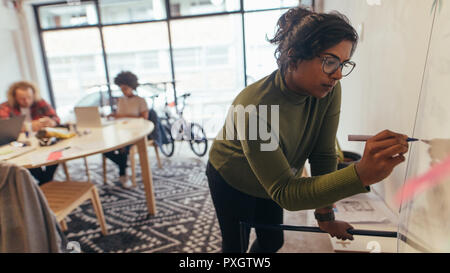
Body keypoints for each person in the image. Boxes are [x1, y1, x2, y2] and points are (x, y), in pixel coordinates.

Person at [206, 7, 409, 253]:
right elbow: (284, 191)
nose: (338, 74)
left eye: (343, 64)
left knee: (273, 241)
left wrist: (326, 217)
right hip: (232, 177)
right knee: (235, 247)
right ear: (293, 57)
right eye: (330, 61)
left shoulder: (327, 89)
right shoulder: (254, 108)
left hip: (272, 177)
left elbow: (323, 153)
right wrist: (360, 175)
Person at [0, 81, 61, 185]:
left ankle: (44, 183)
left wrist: (52, 122)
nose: (27, 101)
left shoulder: (40, 102)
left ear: (34, 94)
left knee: (57, 153)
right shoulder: (5, 107)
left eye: (29, 97)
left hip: (41, 140)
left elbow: (56, 118)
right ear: (14, 97)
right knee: (26, 159)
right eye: (22, 98)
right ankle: (46, 183)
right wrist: (30, 126)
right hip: (20, 144)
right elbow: (4, 126)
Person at [103, 71, 149, 189]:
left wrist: (122, 116)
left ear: (132, 87)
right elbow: (119, 115)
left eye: (125, 88)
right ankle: (123, 164)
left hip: (136, 131)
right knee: (105, 148)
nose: (123, 91)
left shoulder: (140, 100)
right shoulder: (121, 100)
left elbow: (144, 118)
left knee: (122, 148)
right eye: (121, 88)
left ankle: (123, 174)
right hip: (121, 130)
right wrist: (113, 115)